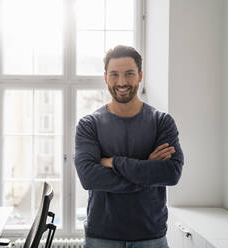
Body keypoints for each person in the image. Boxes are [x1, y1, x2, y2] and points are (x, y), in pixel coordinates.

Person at [74, 45, 184, 248]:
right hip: (101, 236)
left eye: (129, 74)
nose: (122, 82)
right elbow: (88, 177)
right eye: (114, 74)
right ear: (106, 77)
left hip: (150, 236)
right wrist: (147, 169)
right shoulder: (89, 125)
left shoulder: (162, 122)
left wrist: (113, 162)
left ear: (140, 76)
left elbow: (171, 173)